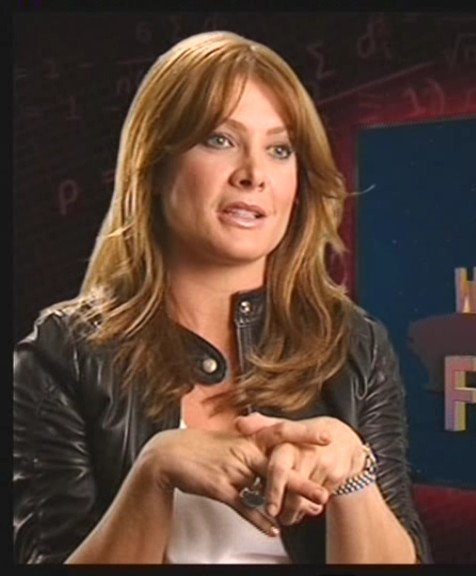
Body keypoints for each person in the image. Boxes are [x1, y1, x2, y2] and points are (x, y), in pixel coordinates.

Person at [13, 30, 431, 565]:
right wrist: (154, 473)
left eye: (279, 150)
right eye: (219, 140)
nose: (254, 175)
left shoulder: (355, 344)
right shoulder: (62, 352)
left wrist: (353, 473)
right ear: (155, 166)